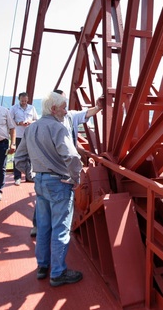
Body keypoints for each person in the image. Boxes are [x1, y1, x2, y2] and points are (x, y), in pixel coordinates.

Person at [14, 91, 84, 286]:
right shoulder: (59, 128)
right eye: (63, 107)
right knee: (61, 228)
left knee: (43, 227)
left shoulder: (31, 129)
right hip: (59, 184)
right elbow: (73, 157)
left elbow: (18, 159)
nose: (66, 111)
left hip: (41, 183)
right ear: (53, 109)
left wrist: (32, 174)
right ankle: (58, 273)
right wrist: (74, 178)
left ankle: (42, 266)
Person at [28, 89, 103, 237]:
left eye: (65, 104)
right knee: (49, 197)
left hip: (64, 164)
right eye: (62, 104)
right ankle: (42, 227)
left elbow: (86, 114)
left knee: (48, 195)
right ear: (53, 106)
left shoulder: (70, 116)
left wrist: (98, 107)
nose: (65, 108)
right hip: (54, 164)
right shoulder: (48, 123)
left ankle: (53, 229)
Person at [10, 92, 38, 186]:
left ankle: (28, 176)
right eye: (22, 101)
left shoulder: (32, 108)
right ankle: (17, 177)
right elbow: (10, 121)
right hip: (18, 135)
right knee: (18, 156)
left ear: (28, 100)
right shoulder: (14, 108)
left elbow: (36, 120)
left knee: (30, 156)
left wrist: (31, 122)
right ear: (19, 99)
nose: (24, 102)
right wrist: (19, 123)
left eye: (25, 100)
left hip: (30, 134)